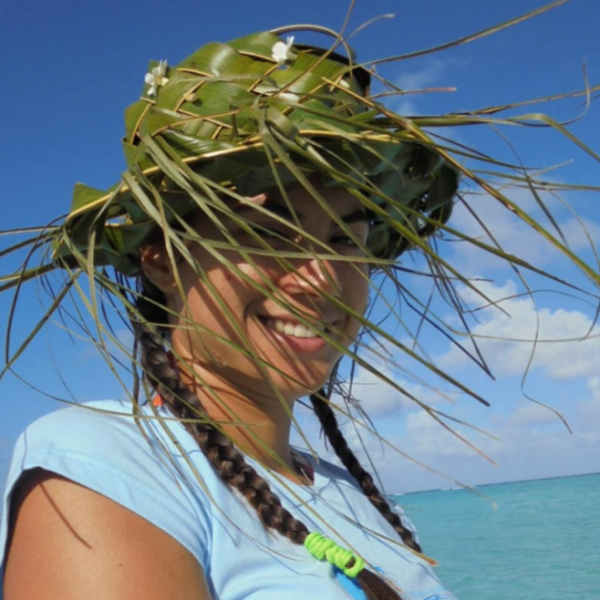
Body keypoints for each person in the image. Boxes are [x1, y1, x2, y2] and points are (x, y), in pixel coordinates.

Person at [0, 23, 593, 600]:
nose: (322, 280)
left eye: (345, 242)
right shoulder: (102, 461)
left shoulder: (342, 490)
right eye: (268, 234)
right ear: (161, 260)